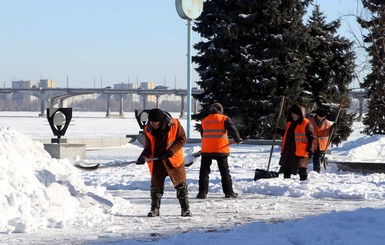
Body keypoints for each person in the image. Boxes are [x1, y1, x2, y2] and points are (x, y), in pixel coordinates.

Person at [136, 108, 192, 217]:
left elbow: (182, 139)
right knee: (155, 186)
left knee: (181, 185)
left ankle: (185, 209)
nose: (154, 125)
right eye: (151, 122)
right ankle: (155, 209)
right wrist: (143, 156)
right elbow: (148, 146)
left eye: (156, 123)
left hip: (173, 159)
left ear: (161, 121)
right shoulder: (147, 129)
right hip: (157, 160)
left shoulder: (174, 124)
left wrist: (171, 151)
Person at [196, 102, 242, 199]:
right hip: (220, 149)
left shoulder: (204, 120)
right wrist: (237, 139)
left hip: (207, 150)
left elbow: (202, 134)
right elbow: (233, 129)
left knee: (204, 172)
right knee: (224, 172)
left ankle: (202, 193)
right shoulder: (224, 118)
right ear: (221, 110)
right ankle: (229, 193)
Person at [279, 104, 316, 181]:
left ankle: (303, 184)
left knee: (302, 169)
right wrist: (279, 131)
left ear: (300, 114)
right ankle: (286, 182)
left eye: (295, 114)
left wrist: (311, 148)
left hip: (300, 150)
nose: (293, 116)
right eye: (292, 114)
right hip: (289, 149)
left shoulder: (306, 123)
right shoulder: (290, 123)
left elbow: (312, 136)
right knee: (286, 168)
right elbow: (288, 134)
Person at [309, 108, 333, 173]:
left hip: (321, 145)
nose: (321, 119)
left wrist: (334, 128)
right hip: (311, 144)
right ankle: (298, 170)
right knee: (304, 158)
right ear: (316, 115)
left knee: (317, 159)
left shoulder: (328, 123)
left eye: (323, 117)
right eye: (320, 117)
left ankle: (316, 172)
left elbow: (331, 134)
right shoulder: (310, 121)